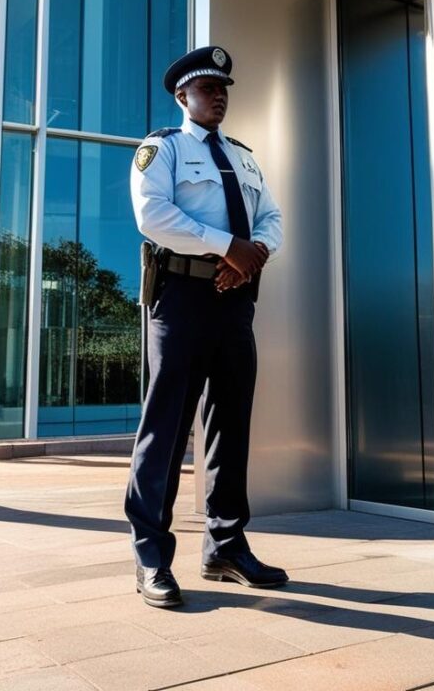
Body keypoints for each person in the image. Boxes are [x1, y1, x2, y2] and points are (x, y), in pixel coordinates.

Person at [126, 45, 287, 609]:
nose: (217, 95)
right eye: (206, 88)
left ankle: (225, 546)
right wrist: (229, 247)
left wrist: (255, 251)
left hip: (234, 297)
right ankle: (151, 555)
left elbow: (272, 216)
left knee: (231, 425)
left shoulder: (244, 158)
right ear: (182, 97)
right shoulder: (161, 149)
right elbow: (154, 216)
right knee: (165, 428)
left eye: (223, 88)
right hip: (181, 298)